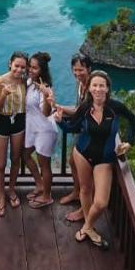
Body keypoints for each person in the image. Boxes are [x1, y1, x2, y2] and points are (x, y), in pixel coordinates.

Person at [55, 69, 135, 250]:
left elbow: (133, 120)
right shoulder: (84, 108)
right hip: (82, 154)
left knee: (101, 202)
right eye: (95, 85)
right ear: (90, 88)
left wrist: (129, 142)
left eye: (102, 85)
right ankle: (90, 228)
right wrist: (60, 121)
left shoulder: (115, 107)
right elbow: (71, 128)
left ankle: (86, 227)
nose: (98, 89)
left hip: (105, 159)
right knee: (85, 190)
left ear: (107, 88)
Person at [56, 53, 94, 220]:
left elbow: (81, 112)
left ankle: (84, 210)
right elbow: (79, 110)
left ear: (89, 69)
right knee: (72, 162)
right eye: (75, 70)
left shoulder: (93, 87)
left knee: (87, 174)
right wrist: (60, 108)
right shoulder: (80, 84)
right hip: (82, 131)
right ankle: (77, 193)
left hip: (92, 135)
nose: (78, 73)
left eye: (81, 70)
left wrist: (60, 109)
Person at [0, 51, 28, 216]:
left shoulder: (25, 82)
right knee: (0, 163)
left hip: (19, 120)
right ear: (10, 64)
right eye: (16, 66)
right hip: (2, 121)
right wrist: (4, 95)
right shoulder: (0, 81)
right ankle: (1, 195)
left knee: (15, 159)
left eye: (22, 67)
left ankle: (11, 189)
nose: (19, 70)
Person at [22, 51, 58, 208]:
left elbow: (46, 113)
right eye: (30, 66)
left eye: (35, 68)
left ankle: (47, 196)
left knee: (44, 164)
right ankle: (39, 184)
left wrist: (47, 97)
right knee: (25, 154)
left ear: (42, 70)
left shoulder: (46, 88)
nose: (30, 69)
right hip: (32, 127)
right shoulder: (29, 82)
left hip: (45, 129)